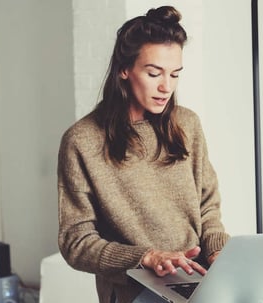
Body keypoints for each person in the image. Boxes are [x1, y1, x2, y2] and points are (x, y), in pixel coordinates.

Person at [57, 6, 230, 303]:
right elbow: (76, 241)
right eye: (154, 73)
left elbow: (208, 208)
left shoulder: (187, 124)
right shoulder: (82, 141)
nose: (166, 86)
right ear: (124, 69)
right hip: (134, 290)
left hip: (197, 280)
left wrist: (217, 251)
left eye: (175, 74)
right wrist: (145, 257)